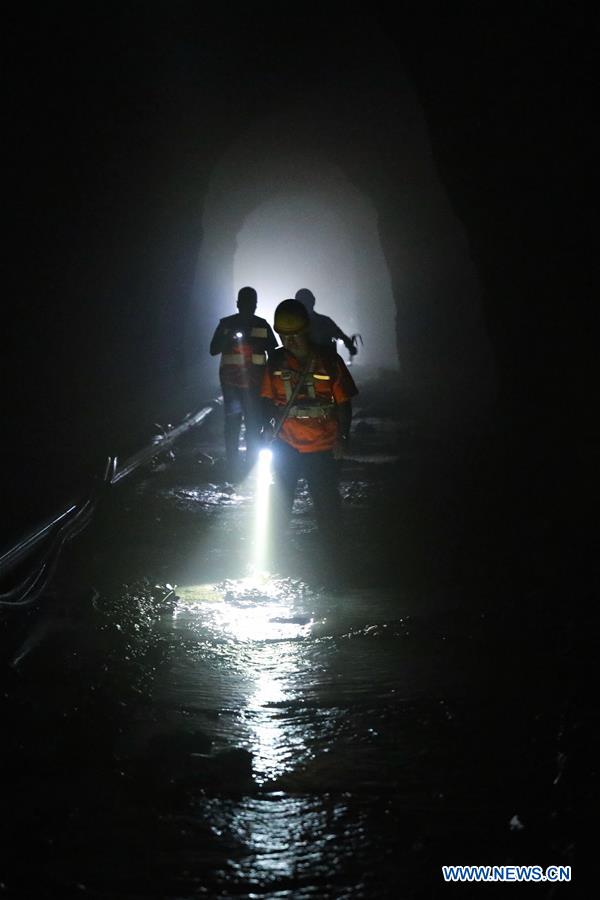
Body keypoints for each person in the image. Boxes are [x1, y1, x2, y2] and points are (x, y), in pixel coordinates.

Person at [261, 298, 358, 560]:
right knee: (280, 501)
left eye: (295, 336)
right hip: (286, 444)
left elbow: (344, 404)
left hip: (323, 445)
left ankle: (334, 556)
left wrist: (343, 437)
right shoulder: (276, 363)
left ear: (306, 330)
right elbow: (267, 402)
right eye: (284, 336)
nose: (290, 341)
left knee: (326, 503)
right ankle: (274, 555)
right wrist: (267, 428)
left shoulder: (328, 361)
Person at [210, 286, 277, 479]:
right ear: (239, 304)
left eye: (251, 304)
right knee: (246, 424)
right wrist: (227, 340)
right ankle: (239, 466)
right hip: (238, 384)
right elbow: (214, 349)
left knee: (245, 425)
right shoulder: (228, 325)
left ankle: (243, 466)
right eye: (247, 303)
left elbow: (273, 354)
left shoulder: (257, 325)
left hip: (249, 384)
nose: (249, 307)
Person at [295, 288, 358, 359]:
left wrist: (350, 346)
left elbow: (340, 335)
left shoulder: (293, 325)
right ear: (313, 301)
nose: (306, 303)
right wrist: (350, 346)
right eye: (304, 301)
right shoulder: (324, 321)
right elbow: (340, 335)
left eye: (306, 300)